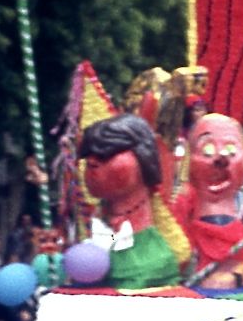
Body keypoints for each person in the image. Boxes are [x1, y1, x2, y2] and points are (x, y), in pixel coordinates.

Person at [79, 113, 191, 290]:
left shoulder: (157, 257)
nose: (92, 162)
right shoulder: (95, 227)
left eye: (108, 153)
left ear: (143, 157)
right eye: (89, 156)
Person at [174, 113, 243, 289]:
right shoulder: (183, 203)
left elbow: (242, 263)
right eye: (207, 150)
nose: (220, 158)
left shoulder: (241, 216)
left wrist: (236, 276)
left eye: (231, 150)